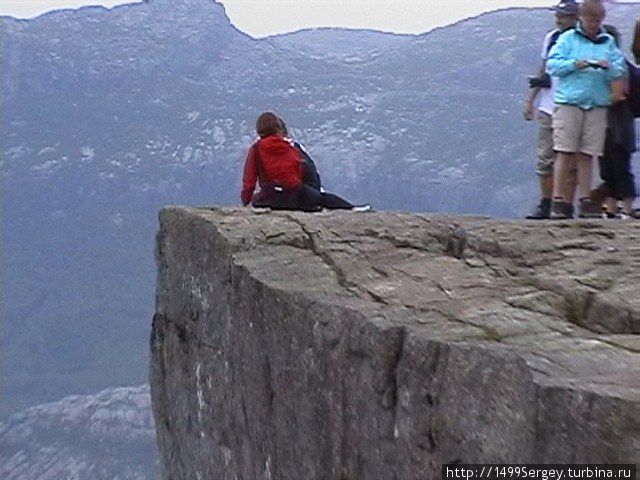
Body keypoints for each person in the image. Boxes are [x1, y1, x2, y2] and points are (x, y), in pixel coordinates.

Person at [546, 0, 627, 219]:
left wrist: (607, 67)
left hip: (596, 104)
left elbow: (619, 69)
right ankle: (559, 201)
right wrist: (575, 64)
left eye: (598, 20)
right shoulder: (567, 39)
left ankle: (585, 200)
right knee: (564, 151)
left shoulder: (607, 42)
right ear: (582, 17)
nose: (594, 24)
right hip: (570, 102)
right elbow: (552, 65)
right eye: (590, 20)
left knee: (587, 154)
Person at [241, 112, 370, 212]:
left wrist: (245, 201)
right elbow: (300, 167)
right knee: (322, 199)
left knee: (256, 199)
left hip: (271, 198)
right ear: (278, 128)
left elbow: (249, 179)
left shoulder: (256, 149)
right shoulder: (290, 146)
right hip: (296, 195)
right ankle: (351, 209)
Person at [524, 0, 579, 219]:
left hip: (571, 105)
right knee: (545, 158)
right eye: (558, 15)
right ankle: (546, 203)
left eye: (563, 15)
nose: (558, 19)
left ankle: (566, 205)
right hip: (548, 106)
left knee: (569, 158)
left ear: (575, 17)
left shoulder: (581, 41)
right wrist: (531, 100)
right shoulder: (551, 38)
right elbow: (543, 69)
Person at [591, 25, 638, 219]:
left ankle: (625, 206)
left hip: (618, 121)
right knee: (608, 165)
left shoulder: (619, 66)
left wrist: (597, 100)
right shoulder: (617, 64)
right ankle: (612, 207)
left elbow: (619, 95)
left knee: (619, 164)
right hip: (616, 122)